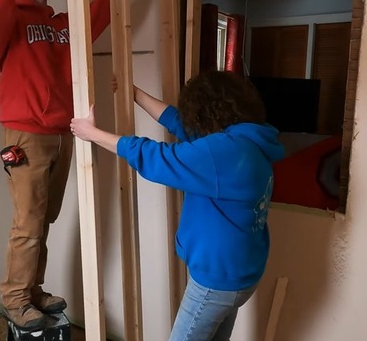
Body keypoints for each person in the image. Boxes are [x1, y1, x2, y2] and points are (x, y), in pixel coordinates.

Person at [0, 0, 131, 331]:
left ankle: (32, 290)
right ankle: (14, 298)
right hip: (25, 134)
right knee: (27, 222)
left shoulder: (64, 25)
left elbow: (103, 9)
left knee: (44, 217)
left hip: (61, 134)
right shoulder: (8, 19)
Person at [70, 71, 285, 341]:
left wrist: (92, 134)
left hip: (216, 280)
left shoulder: (226, 154)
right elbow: (180, 124)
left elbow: (156, 157)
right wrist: (134, 93)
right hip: (240, 272)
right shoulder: (249, 142)